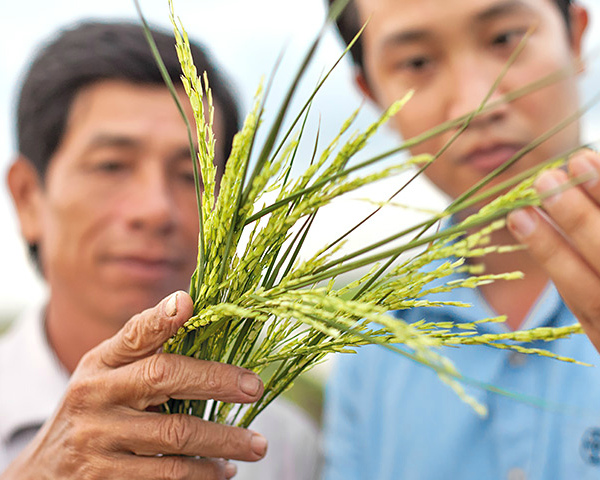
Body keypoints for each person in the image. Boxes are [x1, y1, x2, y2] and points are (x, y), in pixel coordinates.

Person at [0, 22, 320, 480]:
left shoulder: (280, 446)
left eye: (191, 175)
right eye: (111, 166)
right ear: (28, 197)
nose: (155, 210)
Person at [323, 0, 600, 478]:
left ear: (575, 37)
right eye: (416, 63)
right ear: (372, 93)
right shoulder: (369, 345)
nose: (478, 104)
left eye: (505, 38)